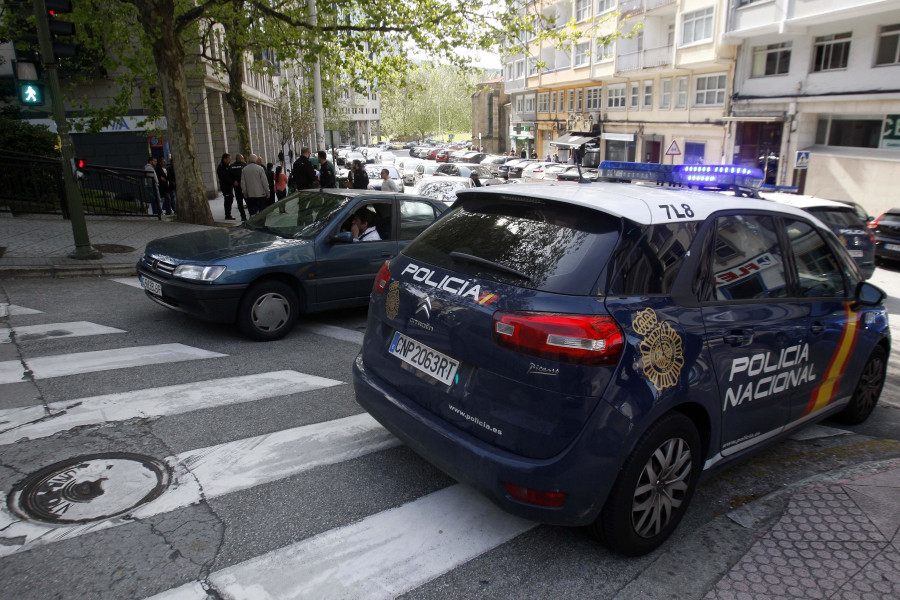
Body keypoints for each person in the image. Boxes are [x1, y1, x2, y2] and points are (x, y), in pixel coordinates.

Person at [216, 153, 236, 220]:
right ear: (225, 159)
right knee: (228, 200)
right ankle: (227, 215)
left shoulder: (228, 166)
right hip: (225, 186)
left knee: (230, 199)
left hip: (229, 186)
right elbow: (225, 177)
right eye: (229, 159)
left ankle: (228, 214)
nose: (230, 160)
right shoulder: (221, 167)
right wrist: (233, 182)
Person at [229, 154, 248, 221]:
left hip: (237, 188)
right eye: (242, 158)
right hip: (244, 188)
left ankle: (243, 217)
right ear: (240, 159)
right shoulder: (245, 165)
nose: (243, 159)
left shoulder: (231, 166)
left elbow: (229, 176)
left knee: (240, 203)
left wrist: (233, 181)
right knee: (248, 202)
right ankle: (252, 215)